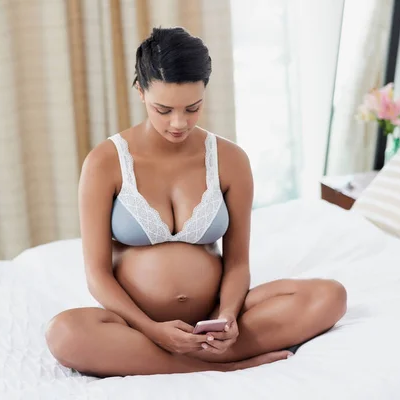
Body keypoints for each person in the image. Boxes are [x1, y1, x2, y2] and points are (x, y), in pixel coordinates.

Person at [45, 27, 347, 377]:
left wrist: (227, 316)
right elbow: (97, 274)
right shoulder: (104, 162)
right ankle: (221, 364)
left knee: (331, 296)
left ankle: (197, 356)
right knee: (64, 333)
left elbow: (236, 263)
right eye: (164, 109)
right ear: (140, 91)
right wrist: (152, 329)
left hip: (214, 320)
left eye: (193, 108)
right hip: (138, 327)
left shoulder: (230, 160)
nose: (179, 123)